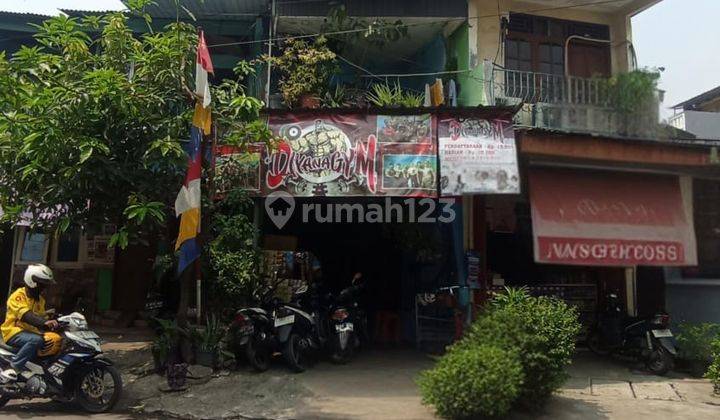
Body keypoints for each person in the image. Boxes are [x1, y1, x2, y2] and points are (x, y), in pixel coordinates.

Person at [0, 264, 58, 382]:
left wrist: (54, 319)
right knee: (36, 340)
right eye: (42, 284)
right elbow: (27, 316)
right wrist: (45, 321)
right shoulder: (18, 296)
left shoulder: (39, 300)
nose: (44, 288)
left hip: (30, 333)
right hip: (13, 333)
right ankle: (14, 367)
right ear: (33, 282)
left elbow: (41, 316)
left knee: (53, 341)